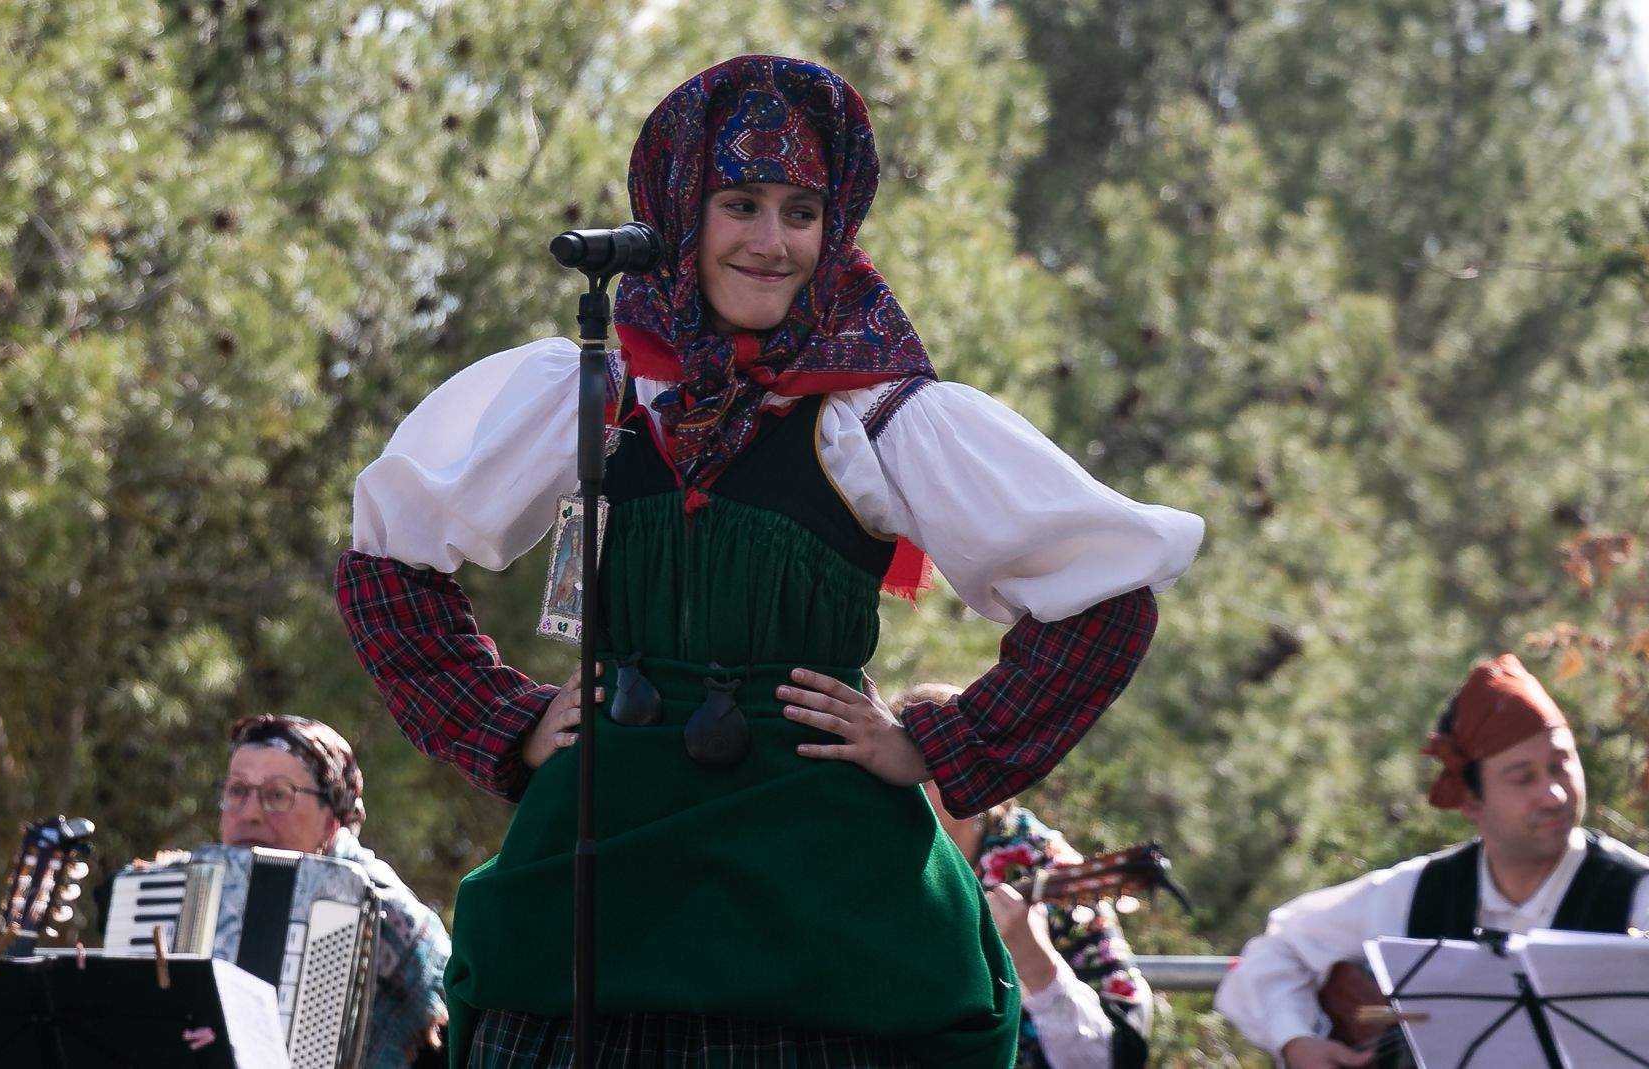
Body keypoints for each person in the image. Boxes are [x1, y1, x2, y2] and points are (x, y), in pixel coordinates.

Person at [337, 54, 1203, 1067]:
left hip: (822, 882)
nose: (770, 240)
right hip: (601, 859)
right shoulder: (584, 388)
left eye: (801, 210)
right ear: (676, 208)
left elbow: (1105, 594)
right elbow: (386, 565)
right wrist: (507, 719)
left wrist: (936, 743)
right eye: (738, 202)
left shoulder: (880, 415)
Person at [1213, 655, 1649, 1069]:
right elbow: (1273, 952)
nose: (1553, 793)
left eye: (1561, 765)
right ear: (1471, 804)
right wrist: (1296, 1040)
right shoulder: (1417, 891)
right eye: (1522, 778)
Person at [900, 680, 1152, 1069]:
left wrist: (1034, 959)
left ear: (978, 779)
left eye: (927, 771)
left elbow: (1110, 1059)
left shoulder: (1045, 865)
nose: (906, 791)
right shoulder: (872, 842)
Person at [222, 715, 454, 1067]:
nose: (250, 813)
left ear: (332, 821)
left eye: (277, 794)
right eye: (237, 791)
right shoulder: (194, 886)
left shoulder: (388, 914)